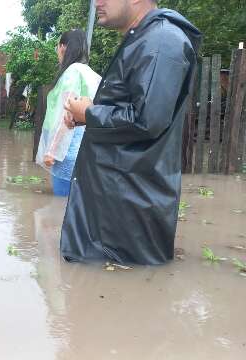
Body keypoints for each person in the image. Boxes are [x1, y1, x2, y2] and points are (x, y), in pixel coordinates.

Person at [60, 0, 201, 265]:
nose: (96, 3)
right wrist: (86, 116)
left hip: (128, 216)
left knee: (122, 296)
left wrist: (90, 114)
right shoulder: (144, 39)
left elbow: (147, 120)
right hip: (115, 208)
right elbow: (132, 112)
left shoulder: (161, 42)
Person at [35, 30, 101, 197]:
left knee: (61, 208)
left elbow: (67, 114)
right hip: (85, 149)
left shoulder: (72, 73)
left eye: (57, 46)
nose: (57, 50)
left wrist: (52, 151)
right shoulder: (88, 73)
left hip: (67, 151)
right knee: (75, 207)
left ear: (63, 47)